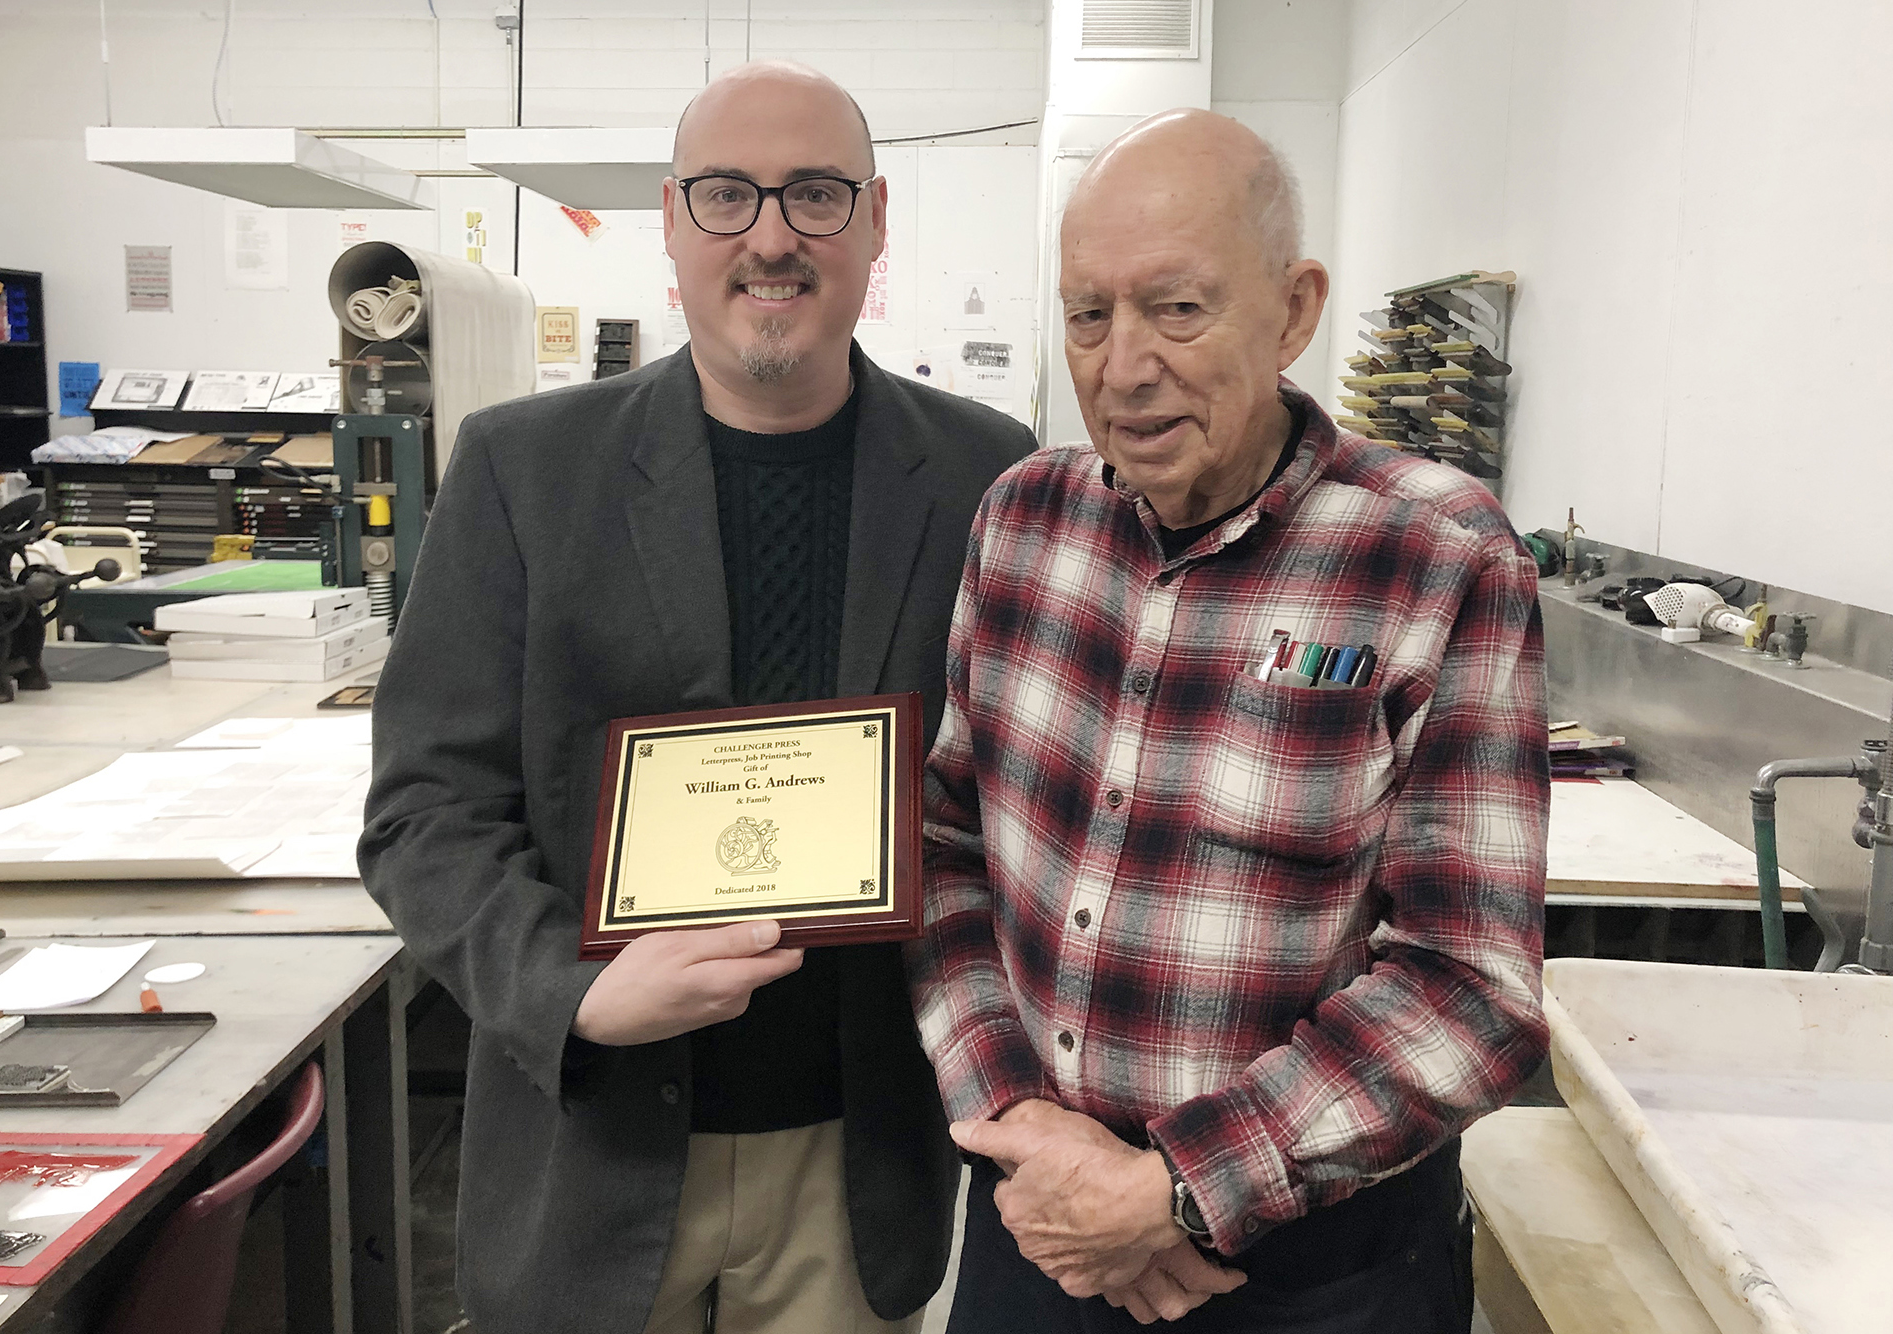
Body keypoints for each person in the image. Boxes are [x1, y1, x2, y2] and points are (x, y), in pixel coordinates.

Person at [360, 62, 1032, 1334]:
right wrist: (570, 986)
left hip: (861, 1163)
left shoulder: (988, 477)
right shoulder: (520, 470)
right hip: (591, 1148)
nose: (770, 236)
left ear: (875, 221)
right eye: (727, 195)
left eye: (815, 196)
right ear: (669, 222)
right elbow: (423, 811)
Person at [908, 108, 1549, 1332]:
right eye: (1088, 313)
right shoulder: (1023, 522)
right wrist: (1024, 1130)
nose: (1122, 362)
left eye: (1178, 307)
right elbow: (945, 856)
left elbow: (1469, 986)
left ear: (1293, 310)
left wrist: (1174, 1191)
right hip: (1035, 1232)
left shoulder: (1435, 554)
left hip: (1317, 1276)